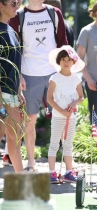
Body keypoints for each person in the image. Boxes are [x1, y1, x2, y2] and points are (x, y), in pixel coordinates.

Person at [9, 0, 68, 172]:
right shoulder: (19, 15)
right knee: (30, 121)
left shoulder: (54, 12)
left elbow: (63, 42)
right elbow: (15, 47)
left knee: (62, 119)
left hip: (54, 73)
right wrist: (18, 74)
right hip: (29, 74)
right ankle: (31, 164)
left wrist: (65, 72)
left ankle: (65, 165)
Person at [47, 45, 84, 183]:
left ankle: (69, 171)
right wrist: (61, 111)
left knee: (68, 144)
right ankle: (52, 172)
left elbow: (81, 97)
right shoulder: (54, 78)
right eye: (63, 59)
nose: (66, 62)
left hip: (71, 117)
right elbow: (49, 98)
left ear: (74, 62)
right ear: (59, 61)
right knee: (54, 144)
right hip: (58, 116)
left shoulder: (76, 79)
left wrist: (74, 103)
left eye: (69, 59)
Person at [0, 0, 26, 172]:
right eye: (13, 3)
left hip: (12, 95)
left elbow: (14, 66)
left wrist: (18, 92)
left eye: (18, 2)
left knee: (15, 137)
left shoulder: (11, 31)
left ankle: (21, 182)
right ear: (1, 5)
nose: (17, 5)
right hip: (3, 95)